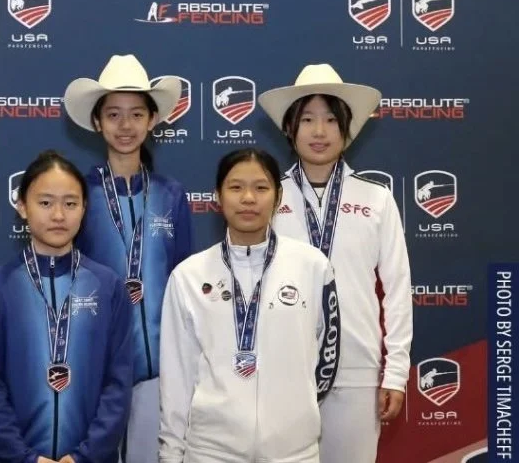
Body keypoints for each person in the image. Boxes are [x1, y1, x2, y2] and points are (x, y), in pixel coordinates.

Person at [259, 64, 413, 463]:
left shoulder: (376, 199)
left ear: (348, 129)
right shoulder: (268, 197)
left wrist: (395, 373)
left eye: (330, 119)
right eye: (307, 119)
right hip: (283, 371)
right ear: (289, 128)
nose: (319, 131)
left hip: (357, 376)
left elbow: (397, 290)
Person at [158, 148, 341, 463]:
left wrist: (296, 412)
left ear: (278, 196)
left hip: (294, 453)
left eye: (260, 187)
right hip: (211, 452)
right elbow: (176, 378)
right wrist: (171, 454)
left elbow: (327, 358)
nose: (248, 198)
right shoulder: (188, 276)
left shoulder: (312, 266)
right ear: (217, 196)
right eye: (235, 187)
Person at [64, 54, 193, 463]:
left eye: (137, 113)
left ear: (153, 120)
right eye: (114, 114)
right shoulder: (80, 193)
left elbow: (184, 277)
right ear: (97, 122)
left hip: (159, 361)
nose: (126, 125)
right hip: (94, 358)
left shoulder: (170, 194)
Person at [0, 151, 133, 463]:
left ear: (84, 208)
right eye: (45, 203)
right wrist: (25, 458)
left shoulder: (108, 286)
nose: (59, 215)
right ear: (22, 206)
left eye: (70, 204)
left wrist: (85, 456)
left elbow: (118, 383)